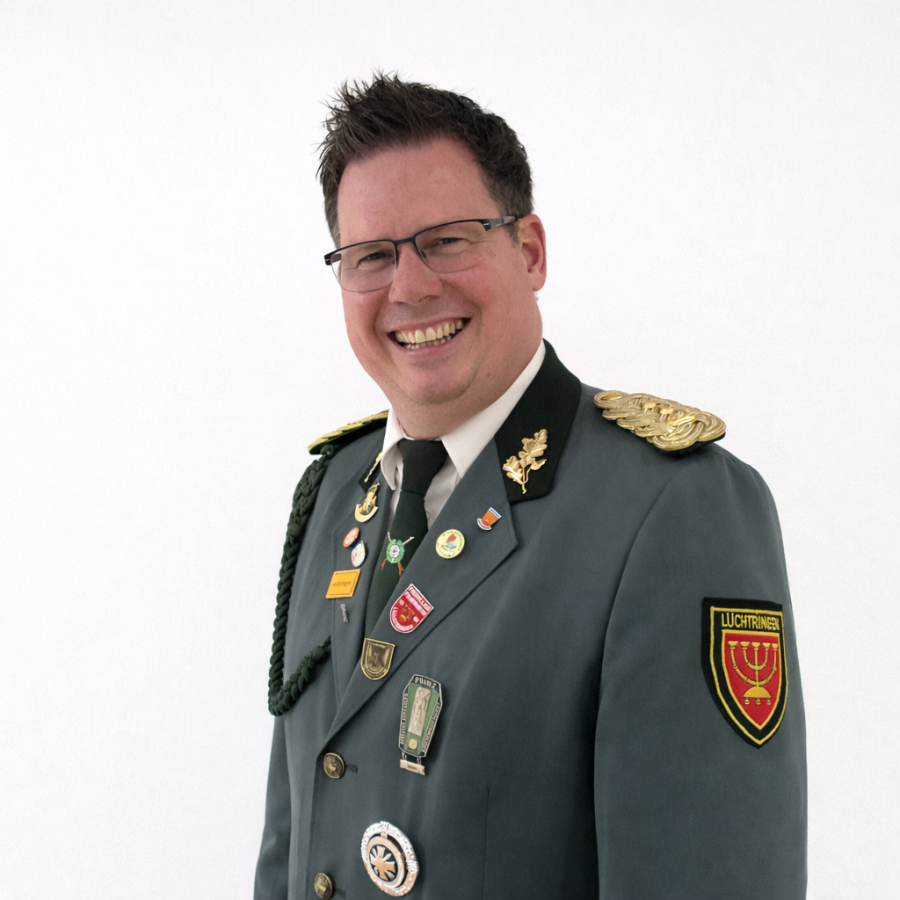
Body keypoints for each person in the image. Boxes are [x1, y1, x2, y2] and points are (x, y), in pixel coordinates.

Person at [254, 74, 806, 900]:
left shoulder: (671, 509)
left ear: (531, 251)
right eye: (371, 256)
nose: (409, 287)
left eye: (446, 240)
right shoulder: (337, 492)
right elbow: (294, 846)